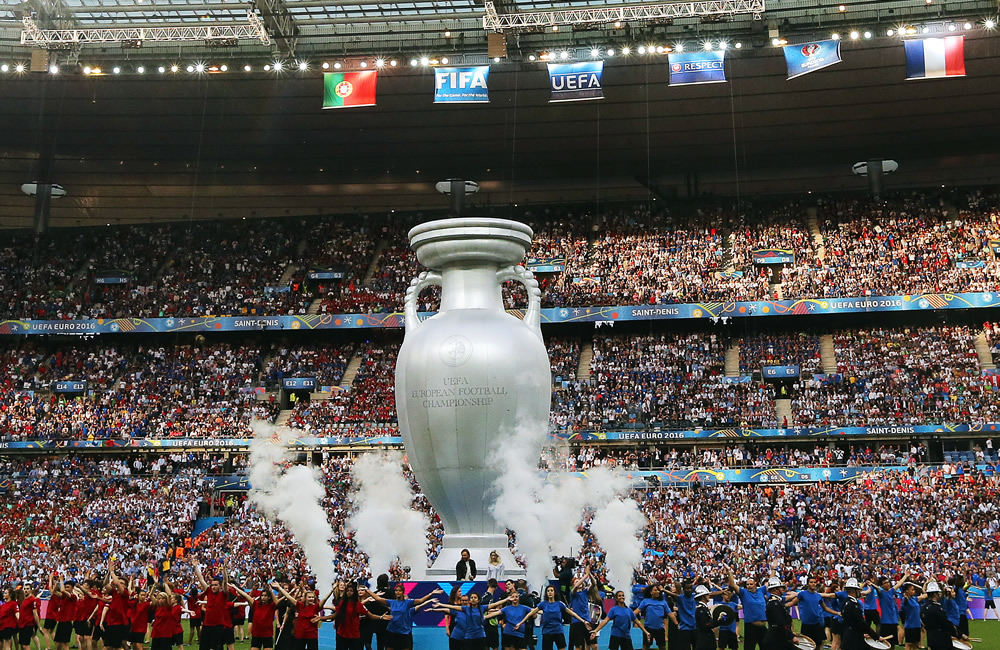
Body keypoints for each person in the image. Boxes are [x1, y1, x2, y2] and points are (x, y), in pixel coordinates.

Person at [363, 583, 442, 650]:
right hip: (391, 632)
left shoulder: (408, 603)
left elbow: (420, 600)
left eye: (399, 591)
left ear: (403, 592)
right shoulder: (391, 602)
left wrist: (431, 594)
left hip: (404, 633)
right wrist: (367, 590)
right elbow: (378, 599)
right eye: (396, 591)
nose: (397, 592)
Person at [516, 586, 590, 650]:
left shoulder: (560, 604)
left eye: (551, 590)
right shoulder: (543, 604)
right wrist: (520, 623)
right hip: (547, 632)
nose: (550, 592)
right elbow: (530, 614)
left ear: (554, 592)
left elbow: (573, 614)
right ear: (546, 593)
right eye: (548, 591)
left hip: (558, 631)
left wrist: (583, 621)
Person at [271, 582, 334, 650]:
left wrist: (332, 590)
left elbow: (324, 599)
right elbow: (289, 597)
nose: (311, 599)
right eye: (309, 597)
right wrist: (279, 587)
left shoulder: (316, 607)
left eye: (312, 597)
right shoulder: (300, 606)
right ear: (305, 598)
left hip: (312, 636)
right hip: (300, 635)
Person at [228, 584, 280, 650]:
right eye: (262, 595)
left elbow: (276, 601)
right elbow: (246, 596)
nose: (263, 597)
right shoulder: (256, 604)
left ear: (269, 597)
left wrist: (271, 591)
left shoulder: (271, 606)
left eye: (265, 596)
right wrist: (235, 587)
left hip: (267, 634)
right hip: (256, 634)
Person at [728, 571, 768, 650]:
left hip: (763, 627)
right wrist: (729, 572)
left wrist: (773, 569)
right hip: (751, 626)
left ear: (755, 584)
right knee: (749, 648)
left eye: (751, 584)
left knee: (766, 647)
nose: (749, 586)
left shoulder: (761, 591)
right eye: (747, 584)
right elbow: (732, 585)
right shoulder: (743, 593)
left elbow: (769, 582)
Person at [921, 583, 963, 650]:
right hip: (941, 639)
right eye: (938, 593)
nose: (939, 595)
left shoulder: (923, 607)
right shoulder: (937, 608)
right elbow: (945, 623)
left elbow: (923, 622)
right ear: (935, 594)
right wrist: (958, 634)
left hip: (930, 638)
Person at [839, 579, 878, 650]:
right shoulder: (853, 605)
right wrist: (875, 636)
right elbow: (861, 623)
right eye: (858, 590)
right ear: (854, 591)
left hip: (849, 636)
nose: (860, 592)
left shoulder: (846, 602)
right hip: (854, 640)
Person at [873, 574, 907, 647]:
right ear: (882, 586)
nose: (888, 584)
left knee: (893, 643)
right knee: (885, 644)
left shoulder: (891, 591)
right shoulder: (881, 593)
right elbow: (877, 588)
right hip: (885, 622)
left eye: (888, 582)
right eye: (885, 583)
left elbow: (900, 583)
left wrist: (905, 576)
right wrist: (872, 584)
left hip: (893, 621)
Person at [761, 577, 794, 650]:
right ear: (776, 589)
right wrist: (791, 636)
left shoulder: (777, 601)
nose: (783, 589)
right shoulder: (774, 603)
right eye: (781, 588)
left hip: (778, 637)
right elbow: (780, 622)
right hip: (777, 639)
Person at [635, 585, 670, 650]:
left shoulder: (663, 602)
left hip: (660, 628)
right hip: (648, 628)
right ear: (651, 592)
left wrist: (676, 623)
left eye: (658, 590)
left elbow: (670, 614)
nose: (657, 592)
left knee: (662, 647)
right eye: (655, 590)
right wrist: (626, 615)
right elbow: (636, 612)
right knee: (645, 646)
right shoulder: (645, 601)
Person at [360, 575, 390, 650]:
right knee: (386, 643)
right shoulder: (391, 593)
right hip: (387, 621)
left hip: (374, 621)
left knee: (377, 642)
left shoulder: (374, 594)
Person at [17, 586, 41, 650]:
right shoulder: (25, 600)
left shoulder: (32, 600)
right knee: (22, 645)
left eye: (27, 589)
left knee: (26, 645)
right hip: (22, 624)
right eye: (25, 589)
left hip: (27, 625)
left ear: (31, 590)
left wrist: (39, 626)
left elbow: (35, 613)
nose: (26, 590)